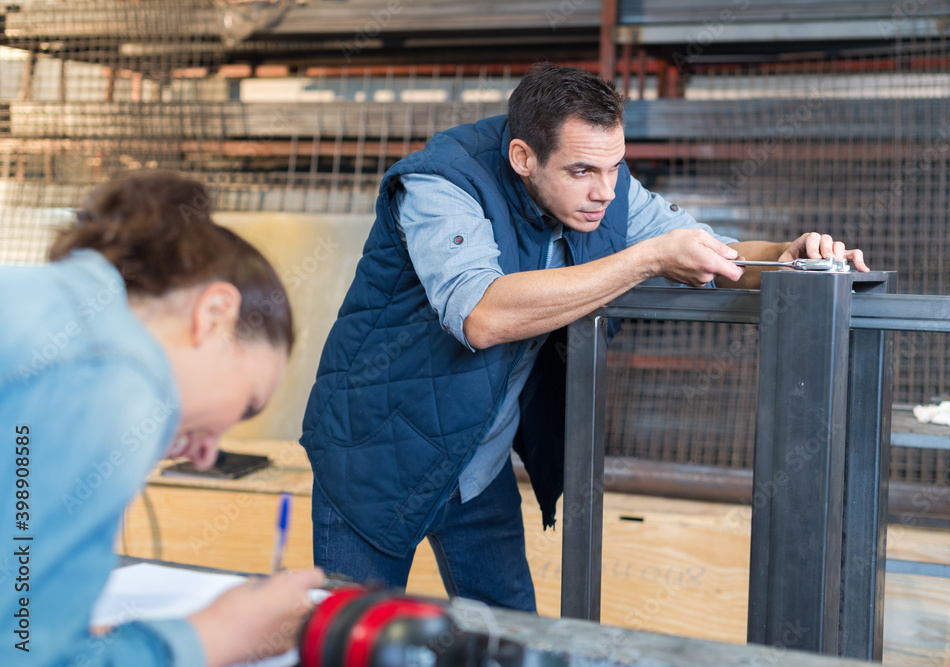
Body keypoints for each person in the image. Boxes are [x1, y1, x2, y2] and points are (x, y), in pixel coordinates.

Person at [300, 64, 868, 611]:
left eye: (615, 167)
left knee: (510, 643)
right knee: (348, 634)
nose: (605, 192)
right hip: (373, 455)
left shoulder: (605, 186)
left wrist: (792, 256)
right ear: (523, 157)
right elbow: (482, 315)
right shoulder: (441, 183)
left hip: (477, 460)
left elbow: (711, 248)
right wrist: (644, 261)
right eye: (582, 172)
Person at [0, 172, 325, 667]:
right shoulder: (112, 377)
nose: (210, 453)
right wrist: (217, 634)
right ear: (215, 314)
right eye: (247, 406)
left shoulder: (39, 300)